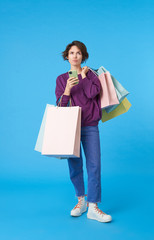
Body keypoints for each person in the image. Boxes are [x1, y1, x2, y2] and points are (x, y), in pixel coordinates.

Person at [55, 40, 112, 223]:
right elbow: (60, 107)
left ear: (83, 56)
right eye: (72, 53)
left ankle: (93, 206)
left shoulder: (92, 75)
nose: (75, 56)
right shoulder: (61, 79)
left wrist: (85, 77)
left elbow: (92, 94)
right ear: (67, 56)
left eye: (79, 53)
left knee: (94, 166)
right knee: (75, 166)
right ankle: (81, 201)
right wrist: (67, 90)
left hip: (90, 126)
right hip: (71, 127)